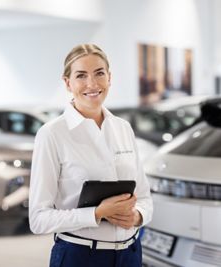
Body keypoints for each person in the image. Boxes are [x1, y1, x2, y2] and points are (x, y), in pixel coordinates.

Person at [29, 44, 153, 267]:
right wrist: (96, 213)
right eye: (81, 76)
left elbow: (144, 197)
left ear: (109, 78)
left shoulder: (123, 128)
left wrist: (138, 216)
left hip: (131, 254)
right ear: (68, 83)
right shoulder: (52, 134)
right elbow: (38, 219)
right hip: (81, 256)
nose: (92, 84)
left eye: (99, 73)